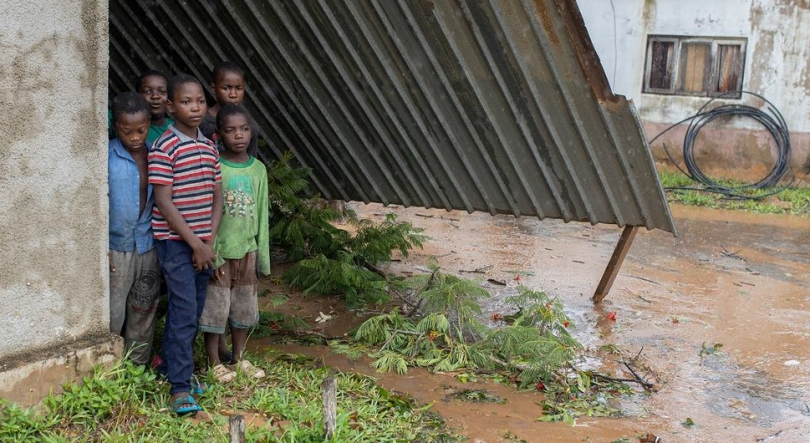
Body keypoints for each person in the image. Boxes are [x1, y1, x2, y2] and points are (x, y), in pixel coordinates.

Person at [148, 74, 223, 416]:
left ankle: (172, 367)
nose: (194, 107)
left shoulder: (209, 146)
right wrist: (195, 244)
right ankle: (179, 387)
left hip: (201, 245)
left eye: (199, 101)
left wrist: (208, 241)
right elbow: (163, 201)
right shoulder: (165, 146)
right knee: (182, 311)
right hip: (176, 244)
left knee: (192, 309)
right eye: (185, 101)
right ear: (170, 106)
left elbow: (216, 197)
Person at [199, 104, 270, 383]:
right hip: (220, 251)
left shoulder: (258, 170)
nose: (238, 135)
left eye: (244, 129)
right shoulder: (215, 165)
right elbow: (206, 211)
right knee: (216, 306)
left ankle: (239, 357)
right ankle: (213, 361)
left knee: (243, 306)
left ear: (251, 132)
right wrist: (212, 253)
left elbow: (262, 213)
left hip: (247, 250)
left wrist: (261, 257)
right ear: (218, 135)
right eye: (230, 130)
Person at [108, 92, 161, 367]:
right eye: (127, 131)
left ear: (149, 124)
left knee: (144, 307)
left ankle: (136, 368)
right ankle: (108, 369)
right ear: (116, 126)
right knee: (113, 313)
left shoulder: (158, 155)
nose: (135, 137)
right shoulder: (107, 156)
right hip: (116, 248)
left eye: (141, 130)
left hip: (148, 245)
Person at [199, 61, 260, 158]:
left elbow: (250, 163)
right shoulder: (201, 122)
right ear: (213, 88)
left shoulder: (250, 126)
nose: (233, 95)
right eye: (226, 88)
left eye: (239, 88)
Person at [136, 70, 175, 147]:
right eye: (147, 91)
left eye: (162, 91)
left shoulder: (177, 128)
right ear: (137, 95)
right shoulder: (127, 125)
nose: (155, 96)